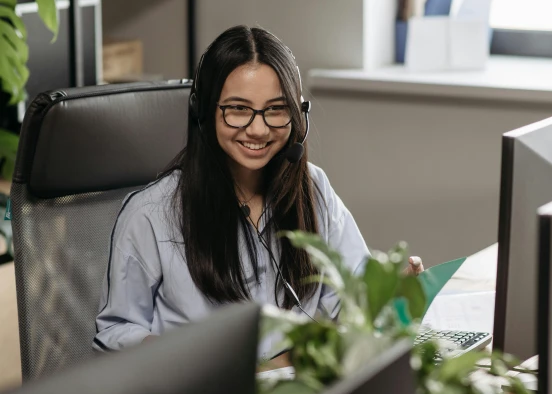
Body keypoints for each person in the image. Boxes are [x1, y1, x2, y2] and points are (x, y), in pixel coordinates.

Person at [93, 25, 423, 354]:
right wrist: (188, 362)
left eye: (276, 110)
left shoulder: (313, 189)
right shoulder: (151, 214)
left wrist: (388, 293)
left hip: (304, 391)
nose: (259, 128)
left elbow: (350, 297)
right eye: (238, 109)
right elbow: (114, 335)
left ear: (298, 115)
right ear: (203, 111)